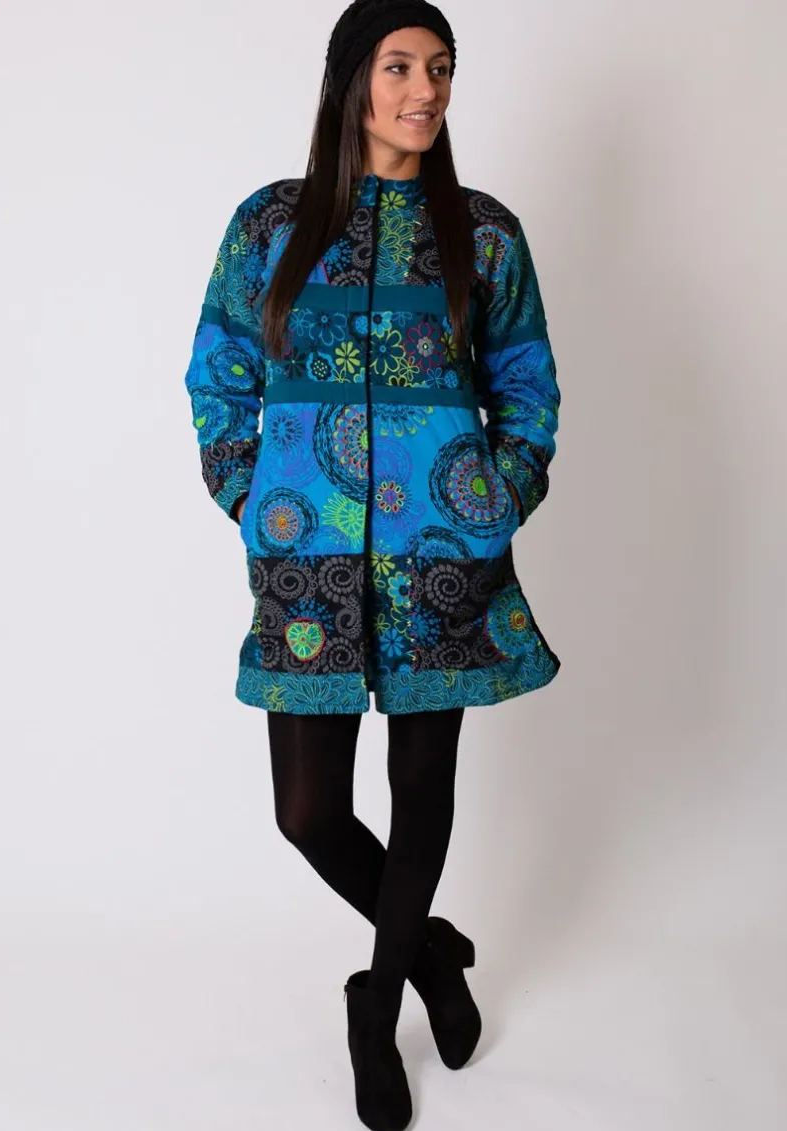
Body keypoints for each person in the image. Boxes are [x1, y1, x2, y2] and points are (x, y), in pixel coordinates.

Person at [183, 1, 561, 1127]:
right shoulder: (271, 224)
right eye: (400, 67)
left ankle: (377, 1001)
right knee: (308, 812)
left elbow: (527, 386)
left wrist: (494, 498)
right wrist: (251, 494)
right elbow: (219, 372)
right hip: (305, 563)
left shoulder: (484, 235)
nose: (425, 90)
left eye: (441, 68)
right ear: (352, 81)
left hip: (441, 560)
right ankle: (432, 951)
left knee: (421, 793)